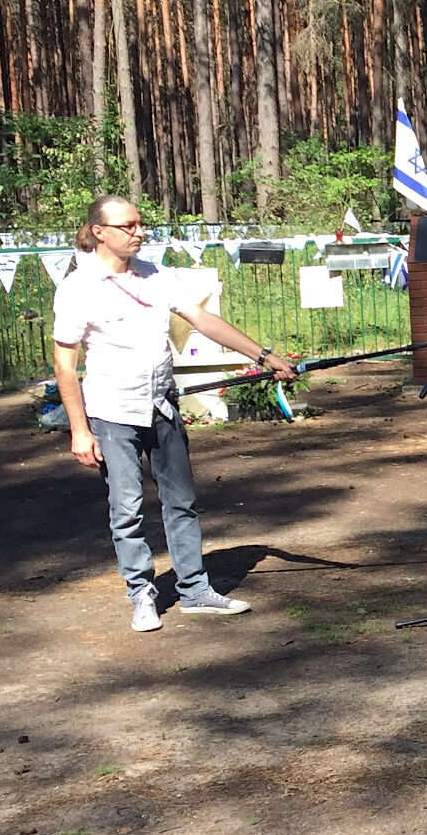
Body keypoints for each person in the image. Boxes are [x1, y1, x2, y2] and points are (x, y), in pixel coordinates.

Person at [51, 195, 297, 632]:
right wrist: (79, 430)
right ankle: (141, 594)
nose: (139, 232)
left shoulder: (155, 274)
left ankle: (195, 590)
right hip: (113, 411)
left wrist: (263, 356)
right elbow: (65, 365)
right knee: (126, 508)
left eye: (140, 224)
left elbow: (203, 320)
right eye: (128, 226)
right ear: (99, 232)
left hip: (162, 405)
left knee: (181, 501)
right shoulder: (78, 287)